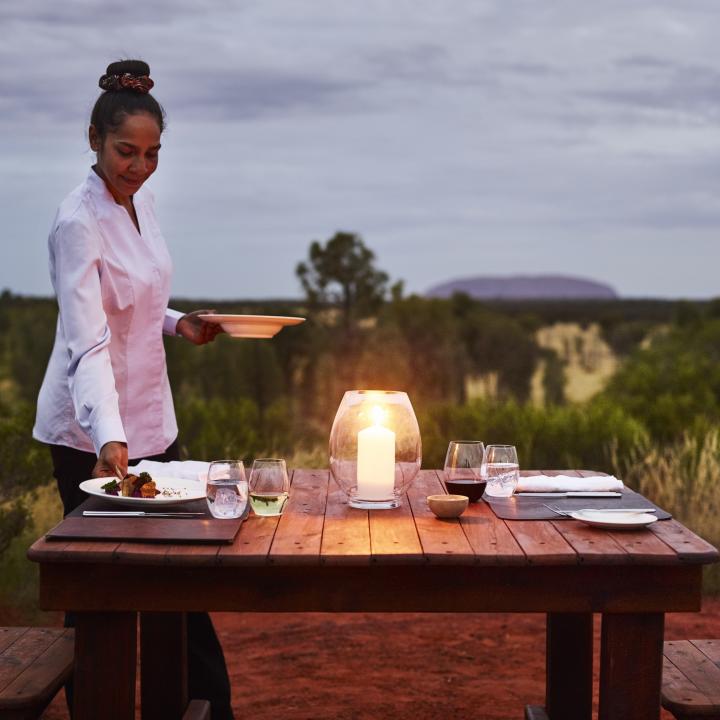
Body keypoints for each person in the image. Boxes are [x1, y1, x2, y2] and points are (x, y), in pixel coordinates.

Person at [32, 59, 234, 719]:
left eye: (151, 154)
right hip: (90, 433)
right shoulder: (76, 223)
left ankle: (206, 711)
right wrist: (109, 437)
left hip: (155, 422)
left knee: (183, 584)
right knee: (100, 598)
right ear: (93, 138)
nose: (140, 166)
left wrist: (182, 323)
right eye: (126, 151)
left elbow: (140, 300)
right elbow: (87, 340)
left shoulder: (141, 202)